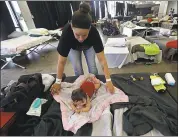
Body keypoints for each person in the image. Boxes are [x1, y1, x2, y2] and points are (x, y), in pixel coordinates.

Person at [50, 2, 114, 95]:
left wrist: (108, 80)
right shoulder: (66, 33)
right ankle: (80, 88)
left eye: (84, 35)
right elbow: (61, 62)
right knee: (78, 69)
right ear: (72, 27)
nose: (80, 39)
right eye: (77, 35)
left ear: (89, 29)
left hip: (89, 47)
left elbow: (102, 60)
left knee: (93, 69)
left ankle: (93, 88)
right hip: (73, 48)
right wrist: (58, 82)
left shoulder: (94, 33)